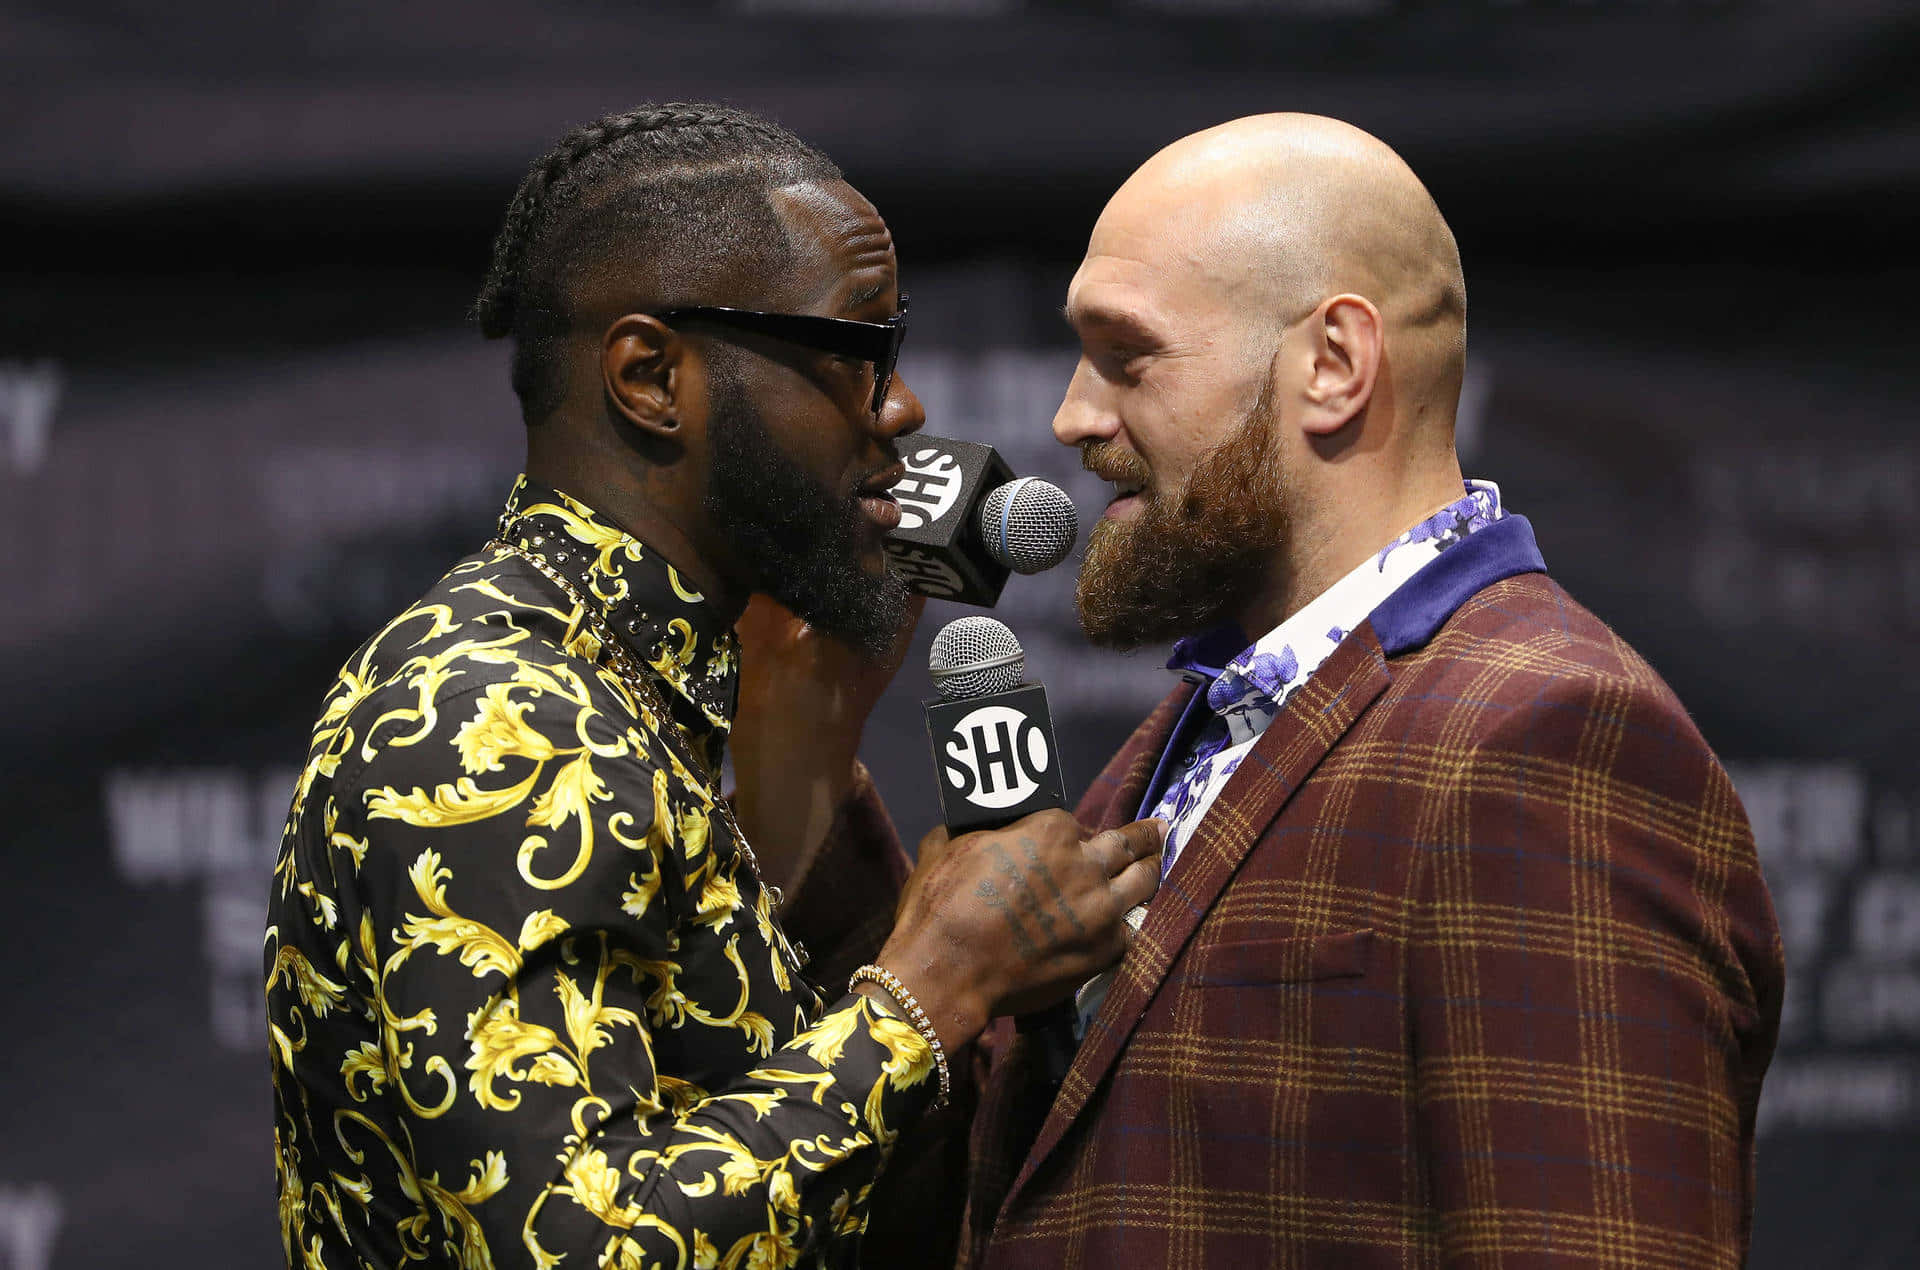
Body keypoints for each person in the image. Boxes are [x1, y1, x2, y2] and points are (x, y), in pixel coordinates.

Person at [263, 103, 1164, 1270]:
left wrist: (805, 749)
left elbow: (725, 1121)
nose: (903, 410)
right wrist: (937, 983)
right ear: (650, 376)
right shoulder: (501, 709)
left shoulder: (629, 684)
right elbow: (571, 1244)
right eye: (856, 353)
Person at [961, 114, 1784, 1269]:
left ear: (1334, 364)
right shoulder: (1181, 741)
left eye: (1128, 355)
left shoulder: (1545, 742)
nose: (1074, 417)